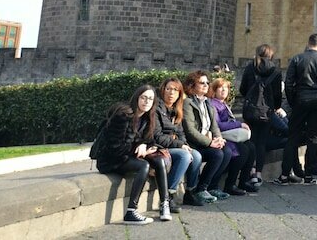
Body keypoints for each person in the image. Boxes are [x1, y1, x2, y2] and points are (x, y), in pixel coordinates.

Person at [95, 86, 172, 224]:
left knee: (159, 161)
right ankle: (131, 211)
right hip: (111, 160)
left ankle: (164, 203)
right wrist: (138, 150)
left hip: (127, 155)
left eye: (150, 99)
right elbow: (115, 148)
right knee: (144, 165)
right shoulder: (123, 115)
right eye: (143, 97)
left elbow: (149, 140)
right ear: (137, 98)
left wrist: (143, 145)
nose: (146, 101)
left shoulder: (148, 117)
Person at [276, 32, 317, 184]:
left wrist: (293, 100)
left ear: (308, 43)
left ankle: (284, 174)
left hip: (300, 100)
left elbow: (288, 83)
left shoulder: (297, 59)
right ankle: (309, 174)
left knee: (292, 137)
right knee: (313, 137)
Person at [239, 44, 285, 185]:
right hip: (266, 112)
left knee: (250, 141)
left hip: (251, 111)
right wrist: (274, 107)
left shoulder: (250, 67)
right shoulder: (275, 71)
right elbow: (278, 96)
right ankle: (258, 173)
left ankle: (250, 171)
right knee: (261, 143)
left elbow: (242, 89)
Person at [182, 70, 232, 202]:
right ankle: (201, 189)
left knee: (226, 151)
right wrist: (210, 143)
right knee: (217, 154)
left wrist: (218, 138)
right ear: (192, 85)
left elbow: (214, 125)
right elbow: (190, 130)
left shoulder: (207, 102)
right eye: (201, 83)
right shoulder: (188, 103)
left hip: (206, 142)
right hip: (194, 144)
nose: (205, 85)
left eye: (207, 83)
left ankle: (212, 186)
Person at [154, 77, 203, 208]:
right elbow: (157, 136)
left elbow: (181, 133)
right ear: (163, 90)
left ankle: (190, 192)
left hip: (172, 145)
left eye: (175, 90)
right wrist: (180, 145)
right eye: (168, 89)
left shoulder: (176, 110)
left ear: (179, 94)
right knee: (184, 155)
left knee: (196, 155)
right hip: (159, 147)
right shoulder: (156, 109)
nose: (171, 93)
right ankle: (168, 196)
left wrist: (184, 144)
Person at [208, 78, 258, 196]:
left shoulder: (223, 104)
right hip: (222, 136)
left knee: (251, 147)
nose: (224, 90)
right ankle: (230, 185)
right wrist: (239, 124)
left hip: (231, 136)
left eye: (226, 87)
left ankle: (243, 181)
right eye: (221, 87)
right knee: (243, 151)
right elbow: (218, 125)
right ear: (214, 90)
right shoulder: (213, 104)